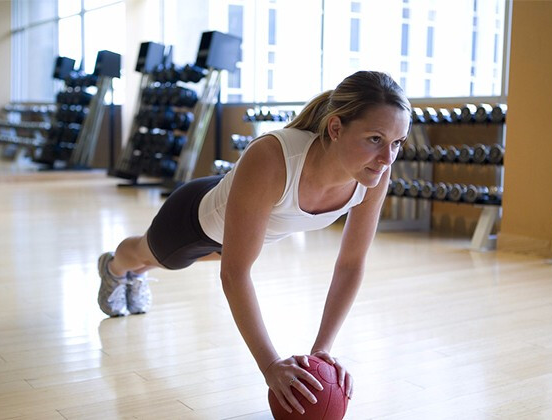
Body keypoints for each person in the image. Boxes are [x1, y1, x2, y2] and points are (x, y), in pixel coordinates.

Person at [97, 70, 411, 414]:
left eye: (397, 143)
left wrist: (321, 350)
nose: (387, 158)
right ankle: (114, 266)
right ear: (336, 128)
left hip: (248, 229)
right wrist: (270, 365)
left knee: (177, 259)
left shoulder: (374, 175)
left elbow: (350, 264)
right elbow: (235, 274)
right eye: (375, 139)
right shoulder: (273, 156)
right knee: (150, 256)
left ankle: (131, 271)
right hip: (191, 223)